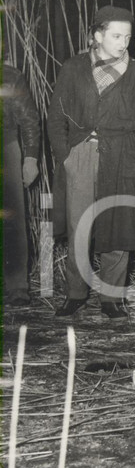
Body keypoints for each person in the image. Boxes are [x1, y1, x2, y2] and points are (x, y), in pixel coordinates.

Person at [47, 5, 135, 319]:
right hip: (80, 154)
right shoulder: (73, 68)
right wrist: (64, 156)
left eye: (127, 36)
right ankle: (76, 294)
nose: (123, 42)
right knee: (80, 226)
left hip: (121, 156)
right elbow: (55, 118)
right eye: (116, 35)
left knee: (118, 225)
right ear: (97, 35)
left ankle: (112, 299)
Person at [2, 64, 41, 306]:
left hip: (5, 145)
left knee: (12, 219)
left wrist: (31, 158)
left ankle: (17, 286)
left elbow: (28, 118)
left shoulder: (10, 76)